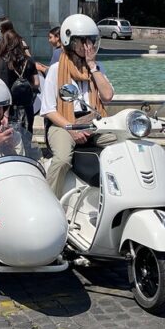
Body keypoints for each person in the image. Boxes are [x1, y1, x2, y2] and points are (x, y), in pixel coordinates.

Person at [39, 14, 115, 197]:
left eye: (91, 40)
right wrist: (71, 129)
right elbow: (48, 109)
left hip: (93, 122)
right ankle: (49, 200)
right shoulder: (56, 70)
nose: (88, 45)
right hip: (63, 123)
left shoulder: (97, 68)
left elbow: (107, 96)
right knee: (63, 159)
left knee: (123, 143)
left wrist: (92, 66)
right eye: (83, 40)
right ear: (69, 42)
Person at [0, 26, 39, 133]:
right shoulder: (29, 61)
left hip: (8, 108)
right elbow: (37, 83)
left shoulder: (2, 61)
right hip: (27, 106)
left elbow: (3, 86)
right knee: (26, 137)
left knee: (10, 140)